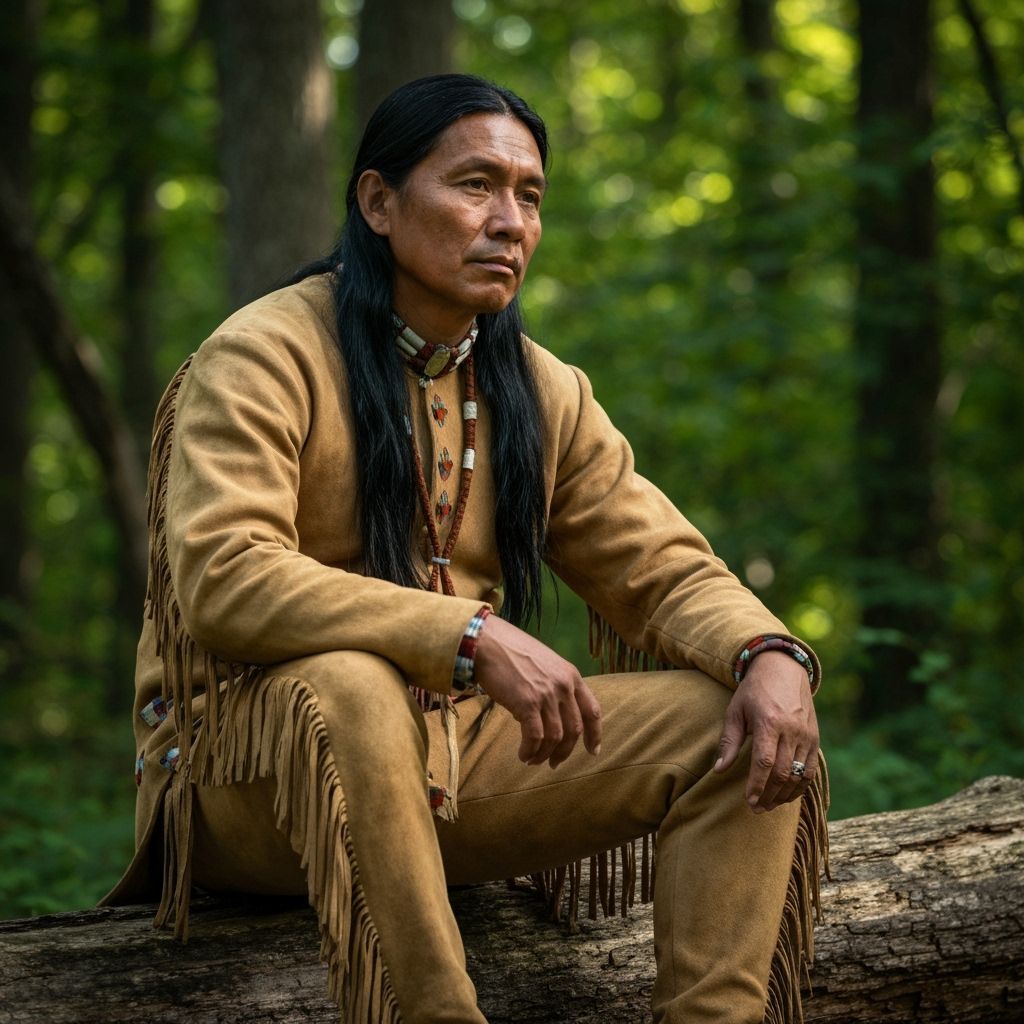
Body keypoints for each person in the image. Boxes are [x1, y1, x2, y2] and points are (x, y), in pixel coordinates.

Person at [104, 74, 827, 1024]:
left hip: (452, 764)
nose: (510, 220)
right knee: (352, 684)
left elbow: (658, 562)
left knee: (724, 721)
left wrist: (768, 652)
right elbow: (225, 579)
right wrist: (471, 634)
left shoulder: (537, 386)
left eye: (530, 194)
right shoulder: (264, 352)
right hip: (245, 780)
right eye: (476, 184)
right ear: (378, 203)